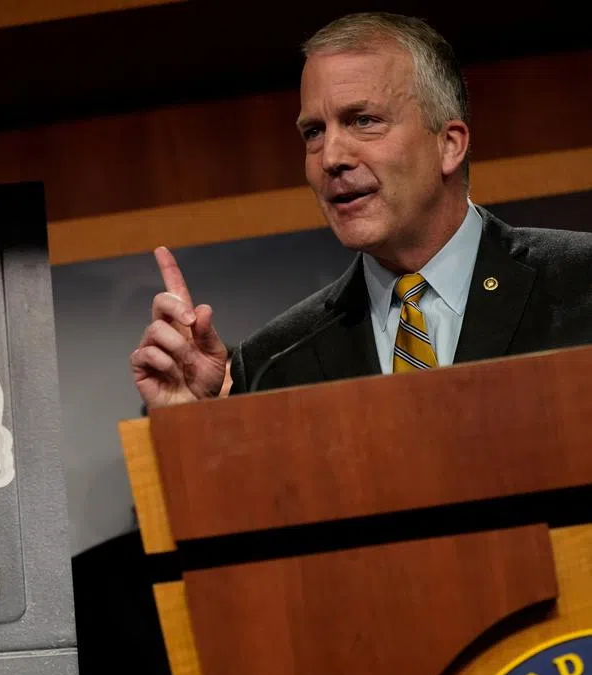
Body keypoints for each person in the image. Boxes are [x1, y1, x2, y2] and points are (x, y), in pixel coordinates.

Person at [131, 12, 592, 405]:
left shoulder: (579, 282)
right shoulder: (275, 362)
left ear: (448, 145)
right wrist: (200, 427)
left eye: (363, 120)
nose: (331, 157)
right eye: (313, 132)